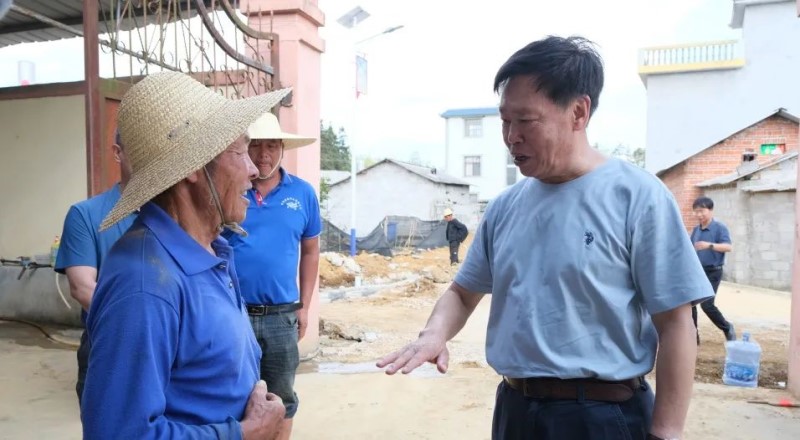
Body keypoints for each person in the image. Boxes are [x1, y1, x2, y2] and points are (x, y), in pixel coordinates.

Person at [377, 36, 713, 440]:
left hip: (603, 417)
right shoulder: (505, 207)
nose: (511, 136)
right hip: (516, 410)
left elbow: (676, 323)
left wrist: (666, 432)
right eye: (505, 121)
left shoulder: (637, 197)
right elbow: (462, 294)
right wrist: (434, 333)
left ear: (578, 112)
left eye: (526, 120)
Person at [81, 71, 291, 439]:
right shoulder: (145, 284)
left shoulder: (211, 251)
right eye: (240, 151)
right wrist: (244, 433)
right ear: (194, 165)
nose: (253, 170)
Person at [224, 113, 320, 440]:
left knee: (281, 400)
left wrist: (304, 306)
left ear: (282, 149)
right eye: (256, 145)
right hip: (234, 313)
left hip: (282, 316)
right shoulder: (231, 190)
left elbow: (310, 252)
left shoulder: (303, 194)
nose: (263, 154)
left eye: (271, 146)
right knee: (235, 396)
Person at [54, 130, 137, 406]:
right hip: (107, 344)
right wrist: (143, 323)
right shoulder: (86, 215)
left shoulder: (174, 214)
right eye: (136, 147)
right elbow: (82, 287)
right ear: (117, 153)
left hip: (169, 347)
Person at [690, 196, 736, 343]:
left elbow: (728, 247)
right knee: (690, 303)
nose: (699, 214)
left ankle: (727, 327)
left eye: (702, 211)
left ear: (710, 210)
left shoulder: (719, 228)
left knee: (707, 305)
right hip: (698, 272)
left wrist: (709, 245)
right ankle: (693, 335)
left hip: (713, 271)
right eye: (696, 211)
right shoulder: (696, 230)